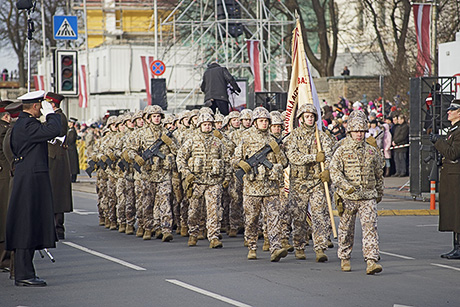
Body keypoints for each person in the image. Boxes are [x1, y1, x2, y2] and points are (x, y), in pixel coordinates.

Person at [5, 90, 62, 286]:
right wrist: (52, 113)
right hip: (29, 179)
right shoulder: (27, 125)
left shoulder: (24, 124)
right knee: (25, 224)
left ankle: (25, 271)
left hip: (28, 177)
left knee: (28, 224)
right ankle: (23, 274)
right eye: (41, 105)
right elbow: (54, 130)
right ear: (36, 106)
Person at [232, 107, 289, 262]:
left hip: (271, 188)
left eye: (266, 121)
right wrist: (241, 164)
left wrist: (278, 151)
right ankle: (252, 246)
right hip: (252, 188)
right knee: (251, 219)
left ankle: (275, 248)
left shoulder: (273, 140)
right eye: (261, 121)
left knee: (274, 219)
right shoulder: (246, 138)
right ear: (255, 123)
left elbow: (284, 163)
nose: (264, 124)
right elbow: (234, 159)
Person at [330, 116, 384, 275]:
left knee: (370, 228)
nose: (359, 134)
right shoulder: (342, 150)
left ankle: (371, 260)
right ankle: (345, 257)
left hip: (367, 196)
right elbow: (334, 172)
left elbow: (378, 174)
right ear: (350, 132)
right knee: (346, 229)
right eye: (356, 131)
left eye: (362, 131)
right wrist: (346, 187)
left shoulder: (372, 151)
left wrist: (379, 192)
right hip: (348, 198)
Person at [284, 104, 334, 262]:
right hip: (299, 183)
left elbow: (329, 155)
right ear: (301, 119)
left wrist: (327, 170)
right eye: (307, 116)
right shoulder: (293, 136)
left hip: (317, 182)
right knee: (298, 217)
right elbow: (293, 157)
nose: (310, 118)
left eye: (312, 116)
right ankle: (299, 245)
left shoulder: (322, 136)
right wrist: (313, 158)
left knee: (319, 215)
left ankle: (320, 247)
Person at [177, 112, 229, 248]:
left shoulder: (218, 142)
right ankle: (193, 233)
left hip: (213, 182)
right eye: (205, 124)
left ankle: (213, 237)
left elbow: (227, 161)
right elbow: (180, 158)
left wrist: (226, 177)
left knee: (214, 211)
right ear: (199, 125)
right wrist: (186, 174)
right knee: (194, 210)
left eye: (210, 125)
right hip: (196, 182)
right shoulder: (192, 140)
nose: (207, 127)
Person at [431, 99, 460, 259]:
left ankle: (459, 247)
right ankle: (456, 246)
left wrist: (438, 142)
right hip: (451, 174)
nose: (448, 112)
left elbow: (453, 153)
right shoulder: (454, 129)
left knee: (457, 212)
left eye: (452, 109)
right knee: (454, 212)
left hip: (456, 175)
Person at [45, 92, 73, 240]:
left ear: (52, 104)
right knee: (53, 194)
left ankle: (57, 228)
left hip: (56, 160)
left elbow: (58, 133)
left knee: (57, 194)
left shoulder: (58, 117)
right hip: (52, 158)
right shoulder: (55, 116)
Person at [67, 117, 80, 182]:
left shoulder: (72, 131)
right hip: (69, 149)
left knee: (73, 164)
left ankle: (73, 177)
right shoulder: (69, 130)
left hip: (71, 149)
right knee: (71, 164)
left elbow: (70, 140)